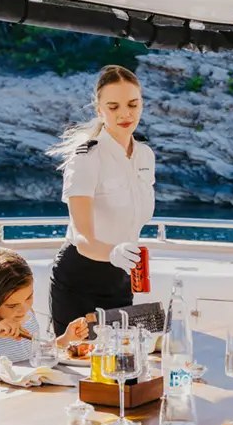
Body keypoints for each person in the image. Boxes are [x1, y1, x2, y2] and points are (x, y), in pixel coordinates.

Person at [46, 65, 156, 334]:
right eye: (113, 107)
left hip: (121, 278)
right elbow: (83, 238)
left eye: (133, 104)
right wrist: (114, 252)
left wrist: (124, 257)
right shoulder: (86, 157)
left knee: (126, 356)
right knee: (78, 358)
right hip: (79, 280)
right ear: (99, 110)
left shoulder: (145, 155)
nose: (125, 114)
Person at [0, 247, 92, 374]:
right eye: (12, 305)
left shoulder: (28, 314)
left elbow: (35, 352)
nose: (23, 309)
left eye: (29, 297)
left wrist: (66, 339)